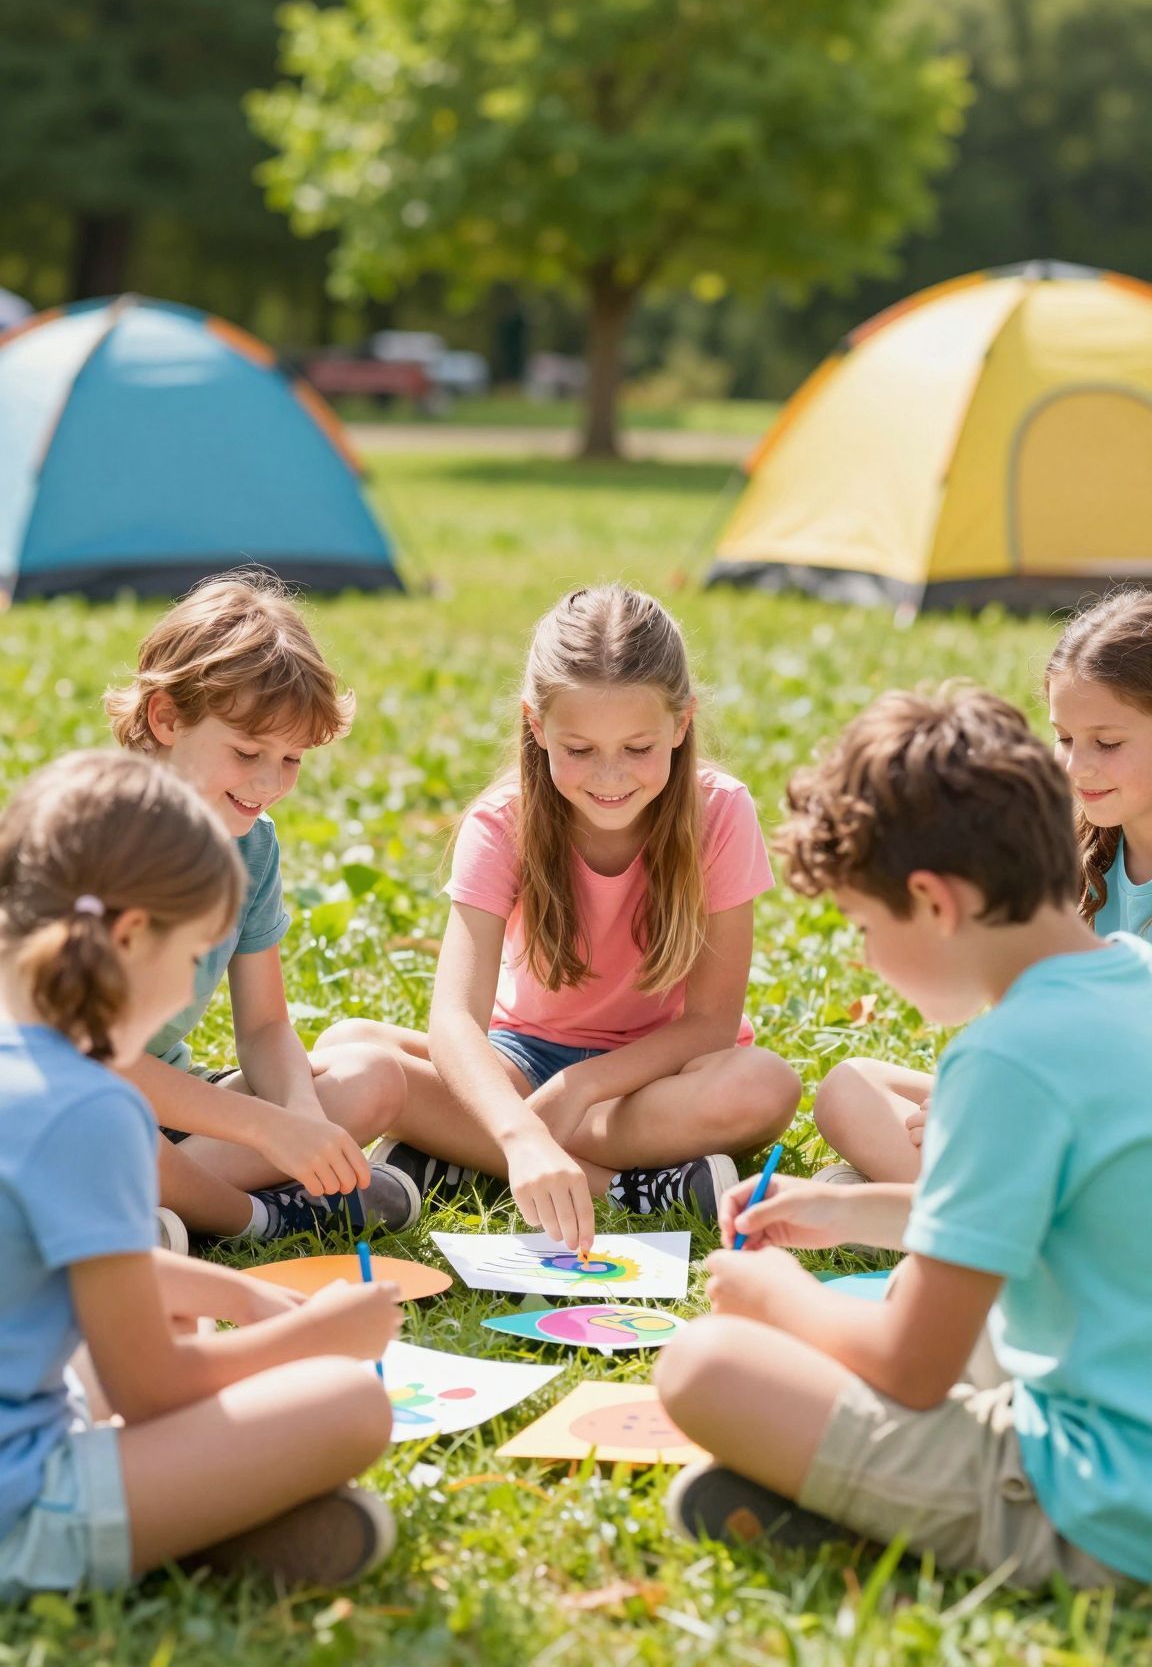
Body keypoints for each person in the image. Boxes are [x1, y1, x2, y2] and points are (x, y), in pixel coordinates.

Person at [658, 687, 1152, 1590]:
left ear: (932, 901)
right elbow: (1052, 1215)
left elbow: (912, 1370)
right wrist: (844, 1210)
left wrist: (778, 1296)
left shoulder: (1006, 1059)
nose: (866, 959)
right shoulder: (1135, 978)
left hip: (1102, 1508)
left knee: (706, 1364)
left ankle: (861, 1510)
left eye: (865, 927)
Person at [0, 750, 400, 1603]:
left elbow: (49, 1263)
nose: (190, 987)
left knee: (174, 1320)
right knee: (348, 1407)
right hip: (22, 1509)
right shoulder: (95, 1108)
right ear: (133, 935)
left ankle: (199, 1520)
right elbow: (149, 1391)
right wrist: (315, 1339)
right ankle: (177, 1535)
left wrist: (243, 1299)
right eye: (192, 962)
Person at [351, 585, 800, 1249]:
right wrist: (522, 1125)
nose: (610, 776)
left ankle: (457, 1148)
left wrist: (576, 1090)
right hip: (523, 1058)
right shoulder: (502, 821)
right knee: (348, 1049)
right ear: (537, 726)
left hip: (660, 1073)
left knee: (765, 1086)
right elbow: (452, 1020)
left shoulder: (721, 812)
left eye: (639, 747)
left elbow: (711, 1021)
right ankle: (620, 1184)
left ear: (682, 724)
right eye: (581, 749)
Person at [806, 587, 1152, 1243]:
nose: (1078, 766)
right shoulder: (1075, 847)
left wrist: (1005, 1109)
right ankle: (930, 1203)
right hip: (1058, 1107)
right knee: (851, 1085)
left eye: (1107, 741)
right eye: (1064, 737)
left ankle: (927, 1210)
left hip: (1117, 1136)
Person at [105, 574, 411, 1244]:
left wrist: (302, 1114)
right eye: (247, 752)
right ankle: (257, 1218)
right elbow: (97, 1059)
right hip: (77, 1098)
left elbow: (268, 1024)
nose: (270, 783)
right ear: (165, 718)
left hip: (174, 1111)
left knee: (374, 1079)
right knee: (109, 1132)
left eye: (291, 759)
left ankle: (160, 1206)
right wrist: (265, 1129)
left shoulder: (253, 848)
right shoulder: (100, 839)